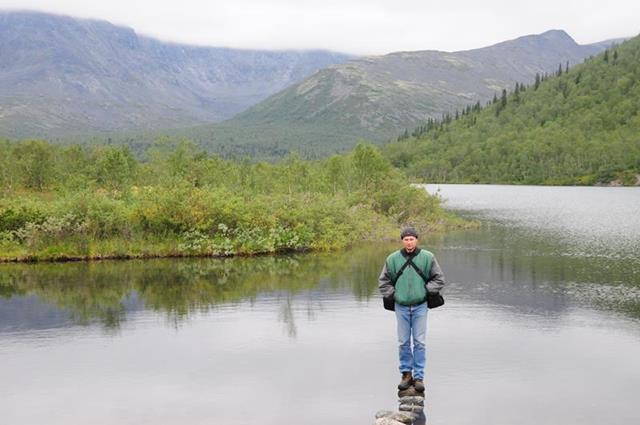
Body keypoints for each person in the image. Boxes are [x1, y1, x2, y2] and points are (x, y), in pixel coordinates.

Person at [378, 226, 446, 393]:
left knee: (420, 342)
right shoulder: (392, 259)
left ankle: (419, 377)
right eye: (406, 239)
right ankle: (406, 375)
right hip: (400, 306)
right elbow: (383, 282)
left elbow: (439, 279)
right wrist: (394, 295)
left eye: (412, 239)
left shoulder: (428, 257)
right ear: (402, 241)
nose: (409, 242)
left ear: (417, 240)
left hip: (420, 306)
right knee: (403, 342)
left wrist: (426, 290)